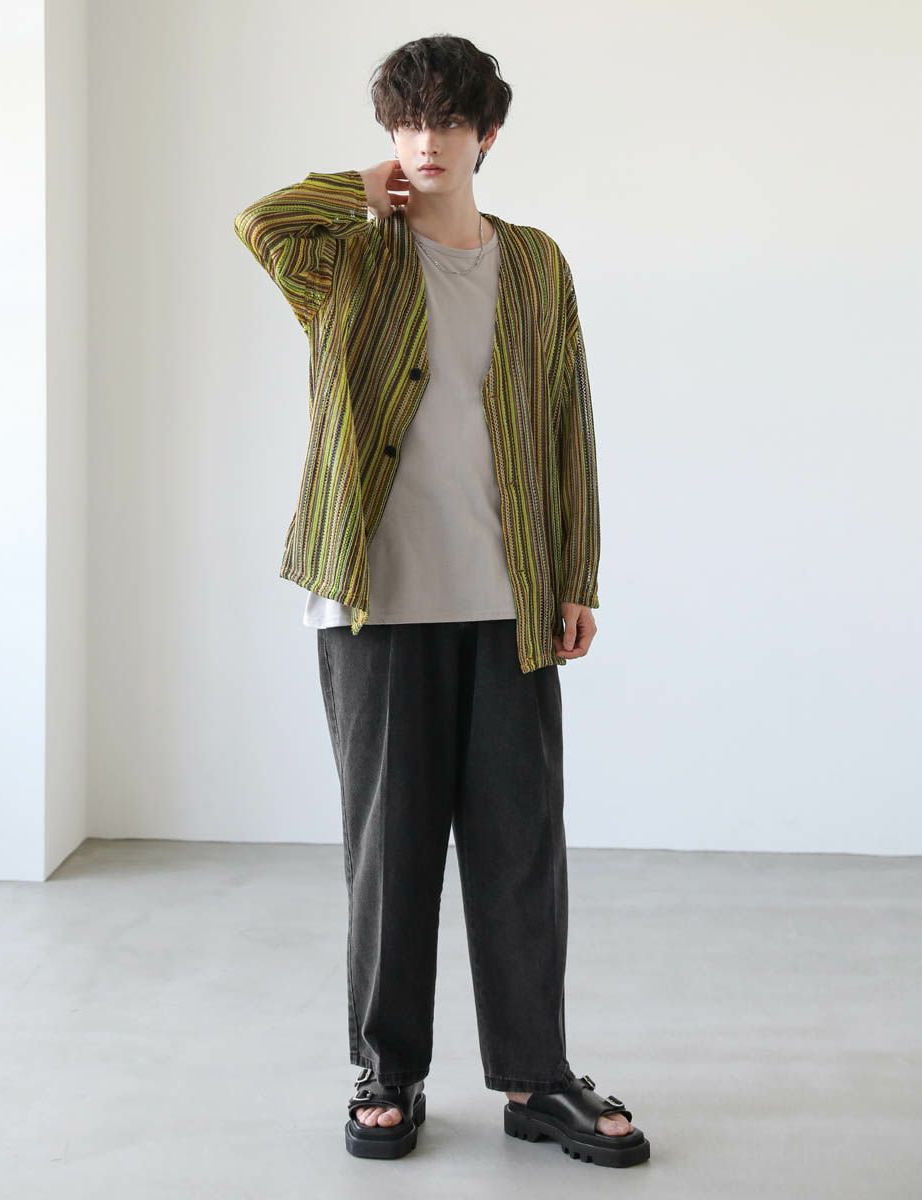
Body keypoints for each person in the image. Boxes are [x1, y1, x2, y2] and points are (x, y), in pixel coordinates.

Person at [233, 34, 649, 1169]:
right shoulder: (346, 258)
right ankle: (388, 1070)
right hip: (375, 599)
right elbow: (261, 223)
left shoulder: (537, 264)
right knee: (391, 853)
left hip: (509, 600)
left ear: (486, 134)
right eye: (407, 122)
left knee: (521, 850)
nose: (426, 141)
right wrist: (357, 188)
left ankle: (535, 1077)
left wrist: (575, 576)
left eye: (448, 121)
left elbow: (565, 422)